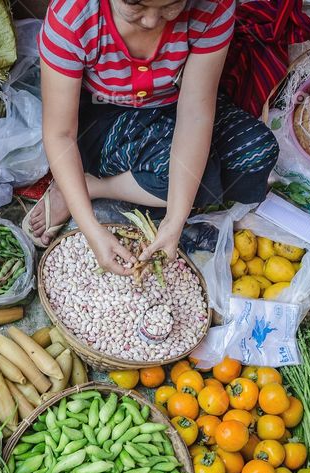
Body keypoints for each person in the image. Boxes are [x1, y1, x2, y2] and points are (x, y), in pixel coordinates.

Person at [23, 0, 280, 275]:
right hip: (102, 115)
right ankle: (78, 188)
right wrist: (91, 229)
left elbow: (195, 113)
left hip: (173, 103)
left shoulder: (213, 5)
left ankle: (92, 187)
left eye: (171, 6)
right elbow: (60, 134)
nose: (150, 20)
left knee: (258, 150)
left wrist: (175, 220)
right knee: (192, 176)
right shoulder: (72, 16)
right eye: (135, 5)